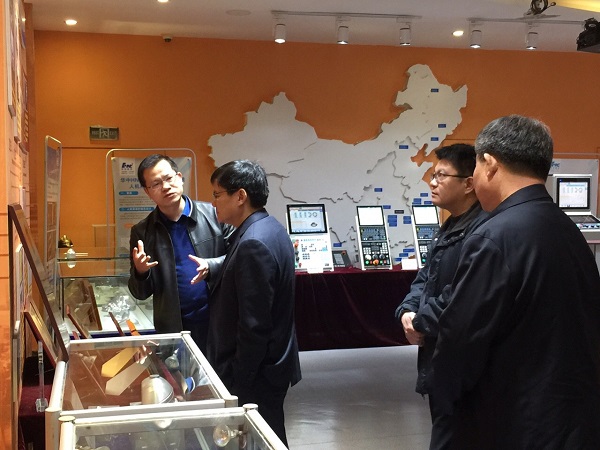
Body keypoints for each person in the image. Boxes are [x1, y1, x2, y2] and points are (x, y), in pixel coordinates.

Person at [429, 115, 600, 448]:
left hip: (510, 420)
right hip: (571, 417)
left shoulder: (494, 237)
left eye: (477, 167)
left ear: (490, 164)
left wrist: (445, 397)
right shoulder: (566, 229)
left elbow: (460, 339)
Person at [395, 143, 487, 450]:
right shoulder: (449, 226)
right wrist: (407, 311)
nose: (432, 182)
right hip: (439, 357)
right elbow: (426, 277)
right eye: (433, 175)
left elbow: (460, 293)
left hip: (462, 363)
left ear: (468, 183)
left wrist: (420, 321)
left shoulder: (481, 231)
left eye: (441, 175)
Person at [204, 159, 301, 446]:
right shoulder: (270, 228)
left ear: (240, 196)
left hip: (258, 374)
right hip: (272, 365)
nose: (214, 203)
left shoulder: (253, 242)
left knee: (262, 440)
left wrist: (239, 381)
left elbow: (254, 325)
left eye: (218, 194)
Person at [128, 154, 234, 354]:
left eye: (169, 178)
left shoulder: (215, 215)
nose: (165, 187)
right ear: (147, 192)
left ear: (179, 177)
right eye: (156, 184)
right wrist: (141, 272)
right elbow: (140, 293)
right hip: (173, 331)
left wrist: (211, 266)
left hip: (218, 323)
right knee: (179, 375)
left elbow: (238, 260)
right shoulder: (142, 232)